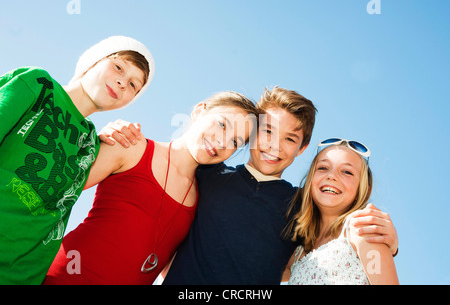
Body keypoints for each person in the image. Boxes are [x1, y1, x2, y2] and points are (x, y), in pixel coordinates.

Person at [102, 86, 398, 284]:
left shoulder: (301, 205)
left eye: (290, 139)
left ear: (303, 148)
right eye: (267, 131)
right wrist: (121, 131)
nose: (274, 146)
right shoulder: (208, 174)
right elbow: (167, 164)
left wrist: (390, 242)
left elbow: (331, 238)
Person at [44, 91, 258, 285]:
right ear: (200, 111)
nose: (222, 141)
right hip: (64, 277)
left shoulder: (202, 199)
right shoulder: (132, 145)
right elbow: (55, 190)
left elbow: (172, 270)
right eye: (222, 124)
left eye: (235, 142)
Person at [0, 35, 155, 284]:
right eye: (118, 67)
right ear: (93, 61)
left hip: (20, 276)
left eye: (133, 85)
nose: (122, 82)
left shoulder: (92, 145)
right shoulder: (38, 85)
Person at [284, 138, 399, 284]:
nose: (331, 176)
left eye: (347, 172)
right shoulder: (298, 253)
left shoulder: (362, 229)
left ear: (363, 188)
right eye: (323, 168)